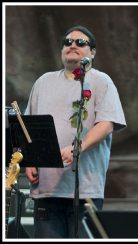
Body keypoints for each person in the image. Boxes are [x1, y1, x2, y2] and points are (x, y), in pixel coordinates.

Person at [25, 25, 126, 238]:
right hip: (47, 189)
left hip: (85, 190)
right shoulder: (44, 82)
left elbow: (107, 123)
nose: (72, 45)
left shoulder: (101, 81)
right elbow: (28, 126)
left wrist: (76, 148)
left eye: (80, 43)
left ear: (93, 52)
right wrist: (30, 160)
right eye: (67, 42)